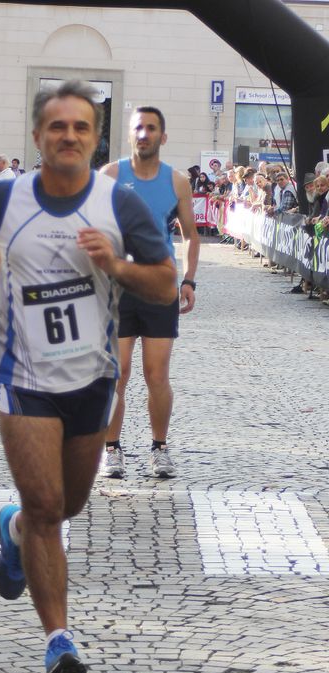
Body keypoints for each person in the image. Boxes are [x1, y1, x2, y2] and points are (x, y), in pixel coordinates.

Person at [0, 80, 177, 673]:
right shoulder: (4, 197)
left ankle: (13, 530)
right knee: (45, 506)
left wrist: (114, 265)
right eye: (57, 126)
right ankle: (58, 641)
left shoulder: (120, 207)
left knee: (69, 505)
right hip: (22, 377)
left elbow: (166, 284)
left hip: (92, 377)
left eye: (81, 127)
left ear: (95, 137)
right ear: (37, 135)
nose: (69, 136)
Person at [99, 105, 199, 479]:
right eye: (138, 128)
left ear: (163, 136)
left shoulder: (177, 182)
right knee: (117, 374)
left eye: (152, 128)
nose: (144, 134)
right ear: (130, 134)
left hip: (160, 289)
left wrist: (188, 280)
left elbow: (191, 236)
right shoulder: (110, 175)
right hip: (118, 290)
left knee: (156, 375)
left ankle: (160, 448)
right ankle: (112, 449)